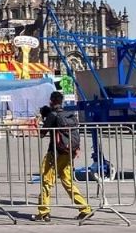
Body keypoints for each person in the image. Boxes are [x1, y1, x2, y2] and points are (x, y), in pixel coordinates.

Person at [31, 91, 93, 222]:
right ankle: (85, 208)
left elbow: (42, 134)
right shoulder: (68, 114)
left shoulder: (53, 115)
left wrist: (41, 120)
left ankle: (43, 211)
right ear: (62, 101)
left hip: (55, 153)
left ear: (51, 101)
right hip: (68, 152)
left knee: (47, 181)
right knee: (68, 181)